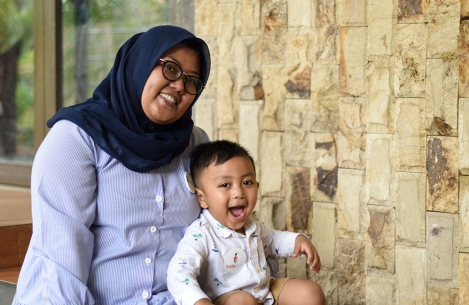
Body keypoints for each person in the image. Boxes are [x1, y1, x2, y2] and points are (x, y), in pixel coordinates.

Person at [13, 25, 212, 304]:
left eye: (192, 80)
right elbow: (61, 263)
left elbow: (215, 231)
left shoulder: (196, 144)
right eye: (170, 68)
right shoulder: (78, 137)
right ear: (139, 65)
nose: (180, 85)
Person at [167, 140, 326, 305]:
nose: (238, 192)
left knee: (310, 293)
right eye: (224, 185)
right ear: (202, 198)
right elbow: (178, 273)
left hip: (265, 291)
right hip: (225, 299)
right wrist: (197, 301)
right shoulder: (201, 234)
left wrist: (297, 241)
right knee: (243, 301)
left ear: (257, 186)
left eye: (247, 182)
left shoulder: (252, 224)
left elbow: (272, 240)